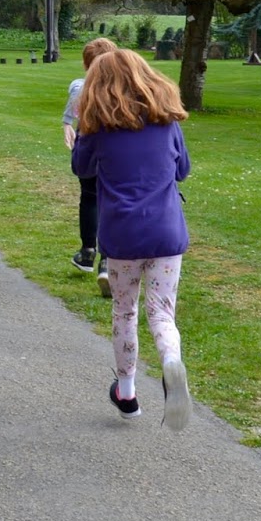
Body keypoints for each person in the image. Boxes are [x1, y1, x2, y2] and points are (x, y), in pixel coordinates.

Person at [71, 48, 193, 430]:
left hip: (121, 235)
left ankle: (126, 393)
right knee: (161, 312)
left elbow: (81, 168)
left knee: (125, 311)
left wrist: (82, 132)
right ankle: (171, 362)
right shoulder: (167, 122)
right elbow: (183, 169)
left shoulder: (97, 129)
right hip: (166, 232)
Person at [63, 37, 118, 291]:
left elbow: (72, 112)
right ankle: (108, 261)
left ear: (87, 65)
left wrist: (67, 125)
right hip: (117, 153)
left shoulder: (80, 87)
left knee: (89, 198)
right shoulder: (123, 91)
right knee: (112, 201)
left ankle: (87, 252)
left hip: (89, 150)